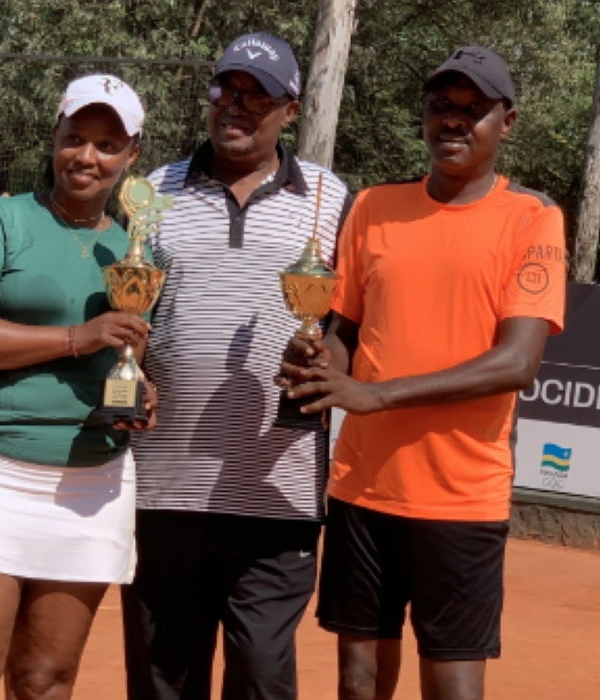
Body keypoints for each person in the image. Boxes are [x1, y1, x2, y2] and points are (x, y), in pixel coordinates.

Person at [278, 46, 568, 700]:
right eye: (441, 106)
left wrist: (373, 396)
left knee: (454, 690)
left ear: (508, 122)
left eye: (473, 110)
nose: (454, 122)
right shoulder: (375, 207)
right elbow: (344, 332)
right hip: (362, 488)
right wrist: (320, 364)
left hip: (462, 497)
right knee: (357, 685)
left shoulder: (533, 217)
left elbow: (517, 361)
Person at [0, 74, 158, 700]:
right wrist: (81, 336)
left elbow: (123, 354)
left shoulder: (137, 249)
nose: (87, 156)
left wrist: (137, 392)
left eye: (107, 144)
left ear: (131, 155)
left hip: (92, 483)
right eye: (74, 137)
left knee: (45, 680)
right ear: (54, 137)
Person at [120, 32, 353, 700]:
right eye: (228, 88)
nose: (238, 105)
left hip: (278, 492)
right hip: (163, 486)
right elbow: (132, 313)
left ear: (291, 108)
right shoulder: (152, 192)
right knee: (165, 678)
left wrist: (323, 356)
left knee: (261, 675)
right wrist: (132, 371)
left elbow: (347, 323)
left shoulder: (330, 200)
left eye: (259, 94)